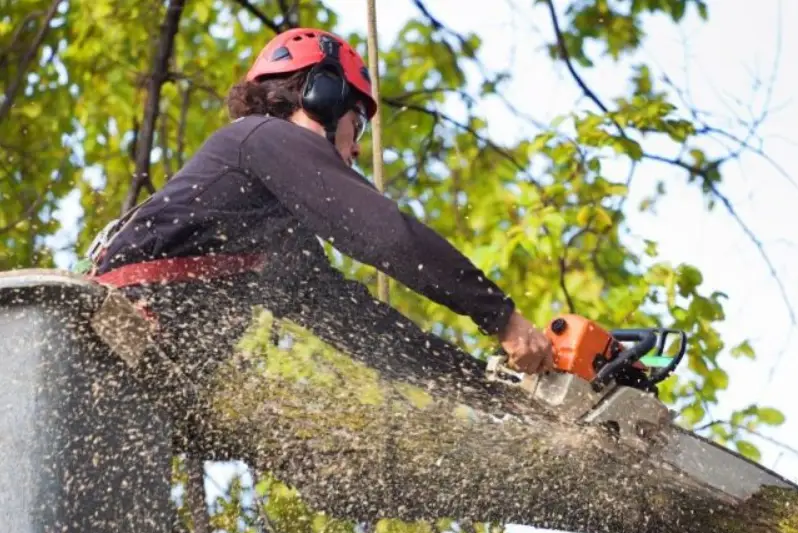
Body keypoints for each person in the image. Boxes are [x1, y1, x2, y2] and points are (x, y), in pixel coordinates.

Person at [85, 26, 554, 384]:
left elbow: (364, 329)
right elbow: (386, 234)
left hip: (134, 377)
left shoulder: (276, 239)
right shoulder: (261, 137)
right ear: (322, 97)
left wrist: (487, 386)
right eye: (359, 125)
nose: (354, 150)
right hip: (103, 342)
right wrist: (502, 317)